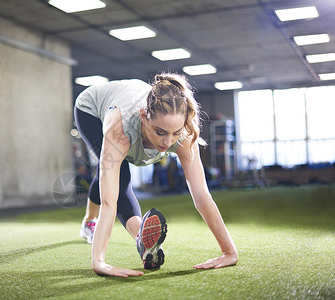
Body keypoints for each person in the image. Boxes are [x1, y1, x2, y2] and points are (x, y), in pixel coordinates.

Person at [74, 72, 238, 277]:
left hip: (127, 96)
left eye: (175, 133)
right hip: (90, 110)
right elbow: (109, 202)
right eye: (160, 132)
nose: (168, 142)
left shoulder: (185, 135)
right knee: (118, 175)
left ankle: (140, 238)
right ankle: (91, 222)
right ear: (143, 116)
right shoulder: (120, 131)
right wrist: (99, 261)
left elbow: (202, 195)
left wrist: (229, 251)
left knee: (109, 171)